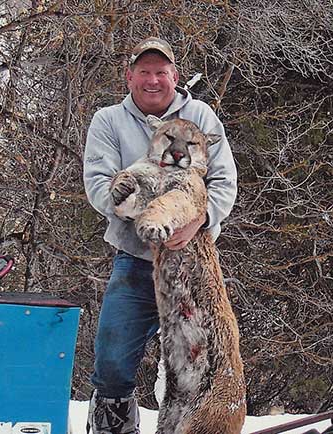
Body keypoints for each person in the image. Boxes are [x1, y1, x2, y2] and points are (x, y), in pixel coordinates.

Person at [83, 36, 237, 434]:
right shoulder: (109, 121)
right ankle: (113, 426)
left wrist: (199, 220)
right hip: (136, 261)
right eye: (144, 72)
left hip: (194, 265)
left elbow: (224, 181)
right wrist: (149, 215)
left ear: (175, 76)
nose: (153, 80)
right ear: (129, 76)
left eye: (161, 72)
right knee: (112, 363)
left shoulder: (200, 115)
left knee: (202, 365)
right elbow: (100, 187)